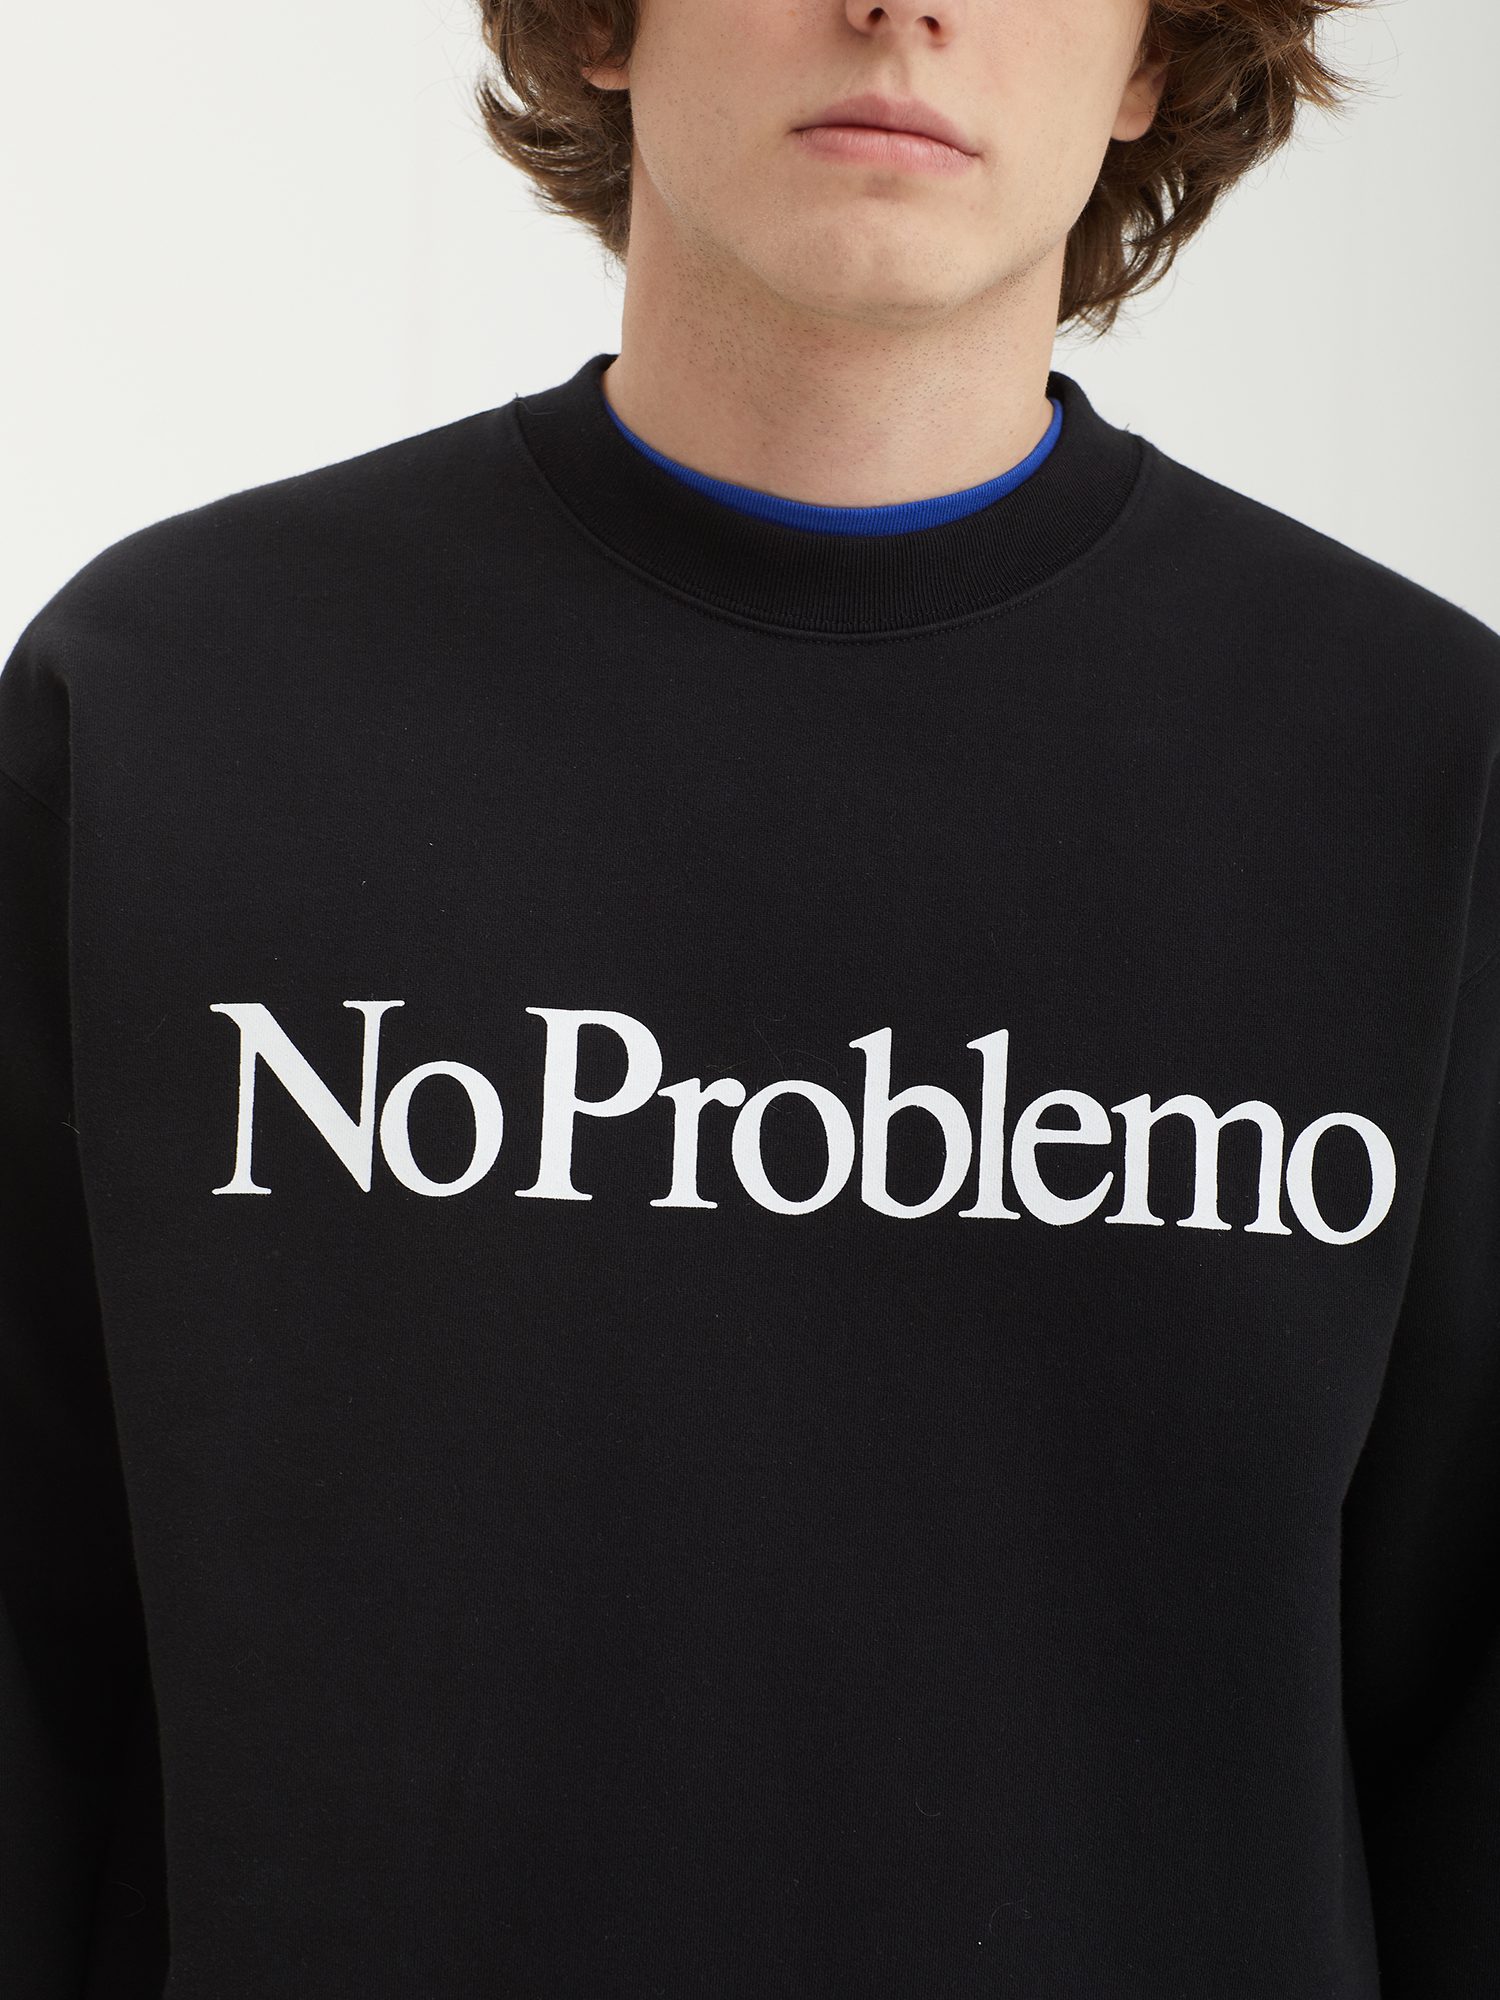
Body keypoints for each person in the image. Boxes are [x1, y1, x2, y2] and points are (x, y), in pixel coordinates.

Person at [2, 0, 1495, 1991]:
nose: (902, 8)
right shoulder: (174, 708)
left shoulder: (1419, 777)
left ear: (1151, 58)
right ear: (602, 21)